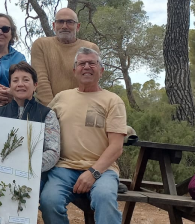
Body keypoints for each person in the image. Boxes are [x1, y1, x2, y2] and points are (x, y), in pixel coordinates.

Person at [39, 47, 128, 224]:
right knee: (49, 201)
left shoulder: (113, 101)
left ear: (101, 70)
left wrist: (92, 172)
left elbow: (116, 146)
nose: (86, 67)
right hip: (63, 168)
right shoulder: (62, 97)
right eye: (82, 63)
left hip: (102, 171)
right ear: (74, 71)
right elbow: (40, 122)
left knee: (105, 198)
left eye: (92, 63)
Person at [0, 61, 59, 191]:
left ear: (35, 85)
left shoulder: (47, 114)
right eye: (15, 80)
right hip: (1, 173)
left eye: (26, 80)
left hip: (35, 176)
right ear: (10, 85)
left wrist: (25, 165)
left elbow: (53, 152)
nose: (20, 84)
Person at [31, 8, 100, 105]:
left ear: (78, 26)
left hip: (81, 107)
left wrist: (72, 111)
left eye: (70, 22)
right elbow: (41, 81)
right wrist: (53, 112)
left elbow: (91, 83)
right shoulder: (40, 45)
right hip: (48, 110)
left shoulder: (90, 48)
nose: (64, 26)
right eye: (60, 22)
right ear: (54, 26)